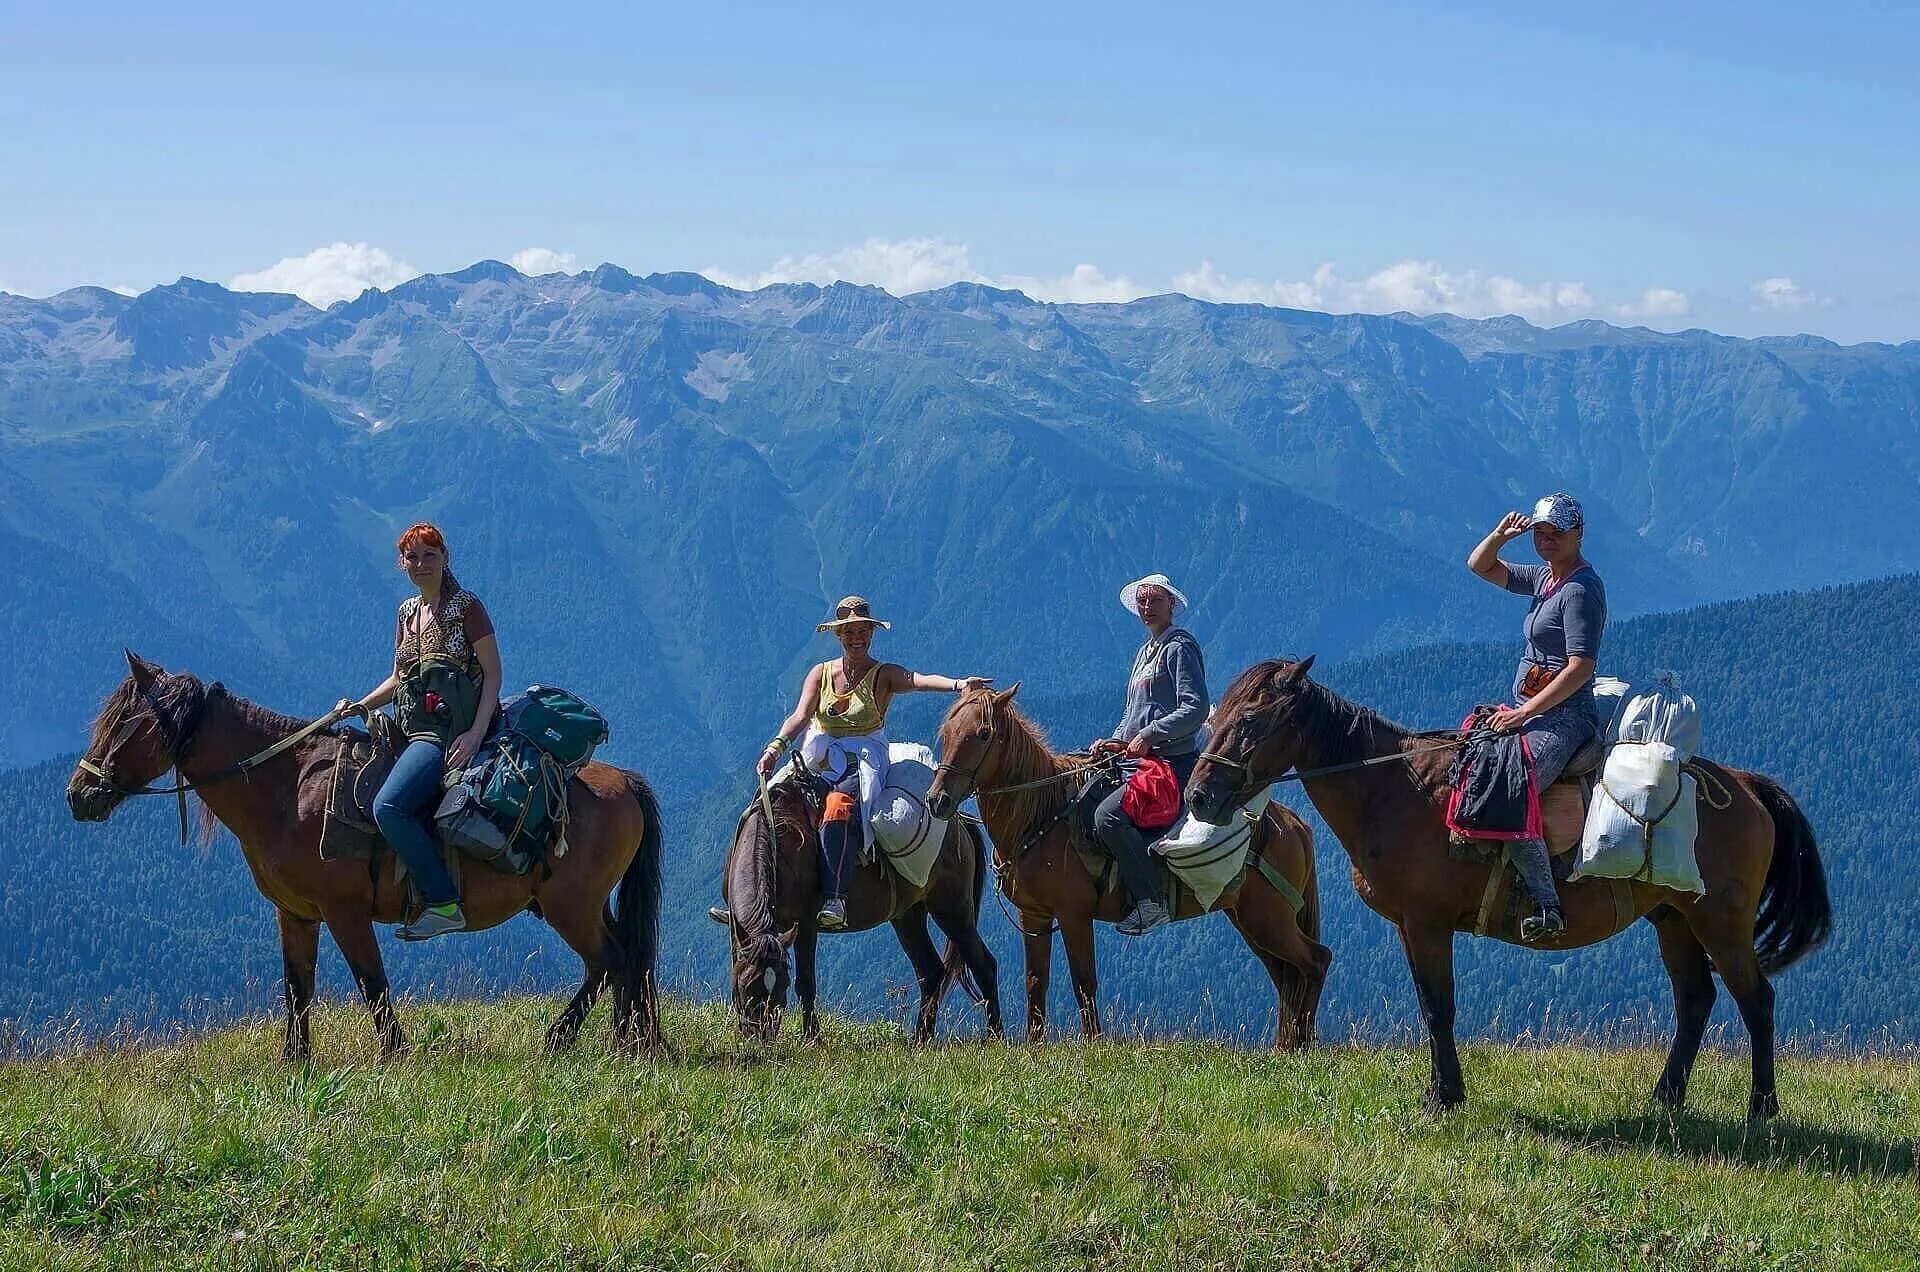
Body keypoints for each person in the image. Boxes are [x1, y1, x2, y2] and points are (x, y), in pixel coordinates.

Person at [711, 596, 991, 932]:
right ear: (838, 636)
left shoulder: (883, 675)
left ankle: (835, 897)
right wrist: (776, 748)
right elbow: (801, 715)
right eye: (849, 632)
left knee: (837, 808)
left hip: (864, 763)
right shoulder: (821, 673)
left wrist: (959, 685)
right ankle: (744, 901)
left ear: (871, 633)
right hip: (819, 757)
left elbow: (918, 679)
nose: (857, 637)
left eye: (862, 631)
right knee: (762, 807)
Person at [336, 523, 502, 941]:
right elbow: (398, 678)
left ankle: (443, 902)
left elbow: (494, 676)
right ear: (402, 564)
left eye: (430, 555)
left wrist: (474, 736)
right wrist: (360, 706)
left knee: (388, 807)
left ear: (446, 558)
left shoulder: (467, 608)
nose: (422, 564)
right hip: (409, 729)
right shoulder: (407, 613)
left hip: (443, 734)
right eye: (413, 557)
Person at [1466, 492, 1608, 942]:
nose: (1545, 541)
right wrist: (1499, 536)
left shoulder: (1580, 591)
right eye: (1539, 533)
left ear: (1578, 535)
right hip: (1535, 712)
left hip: (1566, 718)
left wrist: (1524, 711)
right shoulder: (1545, 579)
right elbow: (1480, 566)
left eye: (1556, 534)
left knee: (1513, 790)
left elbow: (1580, 666)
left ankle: (1549, 906)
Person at [1087, 573, 1209, 936]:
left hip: (1172, 765)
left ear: (1171, 604)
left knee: (1108, 817)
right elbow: (1133, 712)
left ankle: (1150, 902)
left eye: (1154, 600)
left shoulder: (1179, 647)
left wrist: (1149, 734)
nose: (1146, 607)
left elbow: (1195, 707)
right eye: (1142, 601)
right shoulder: (1145, 652)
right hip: (1139, 760)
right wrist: (1114, 742)